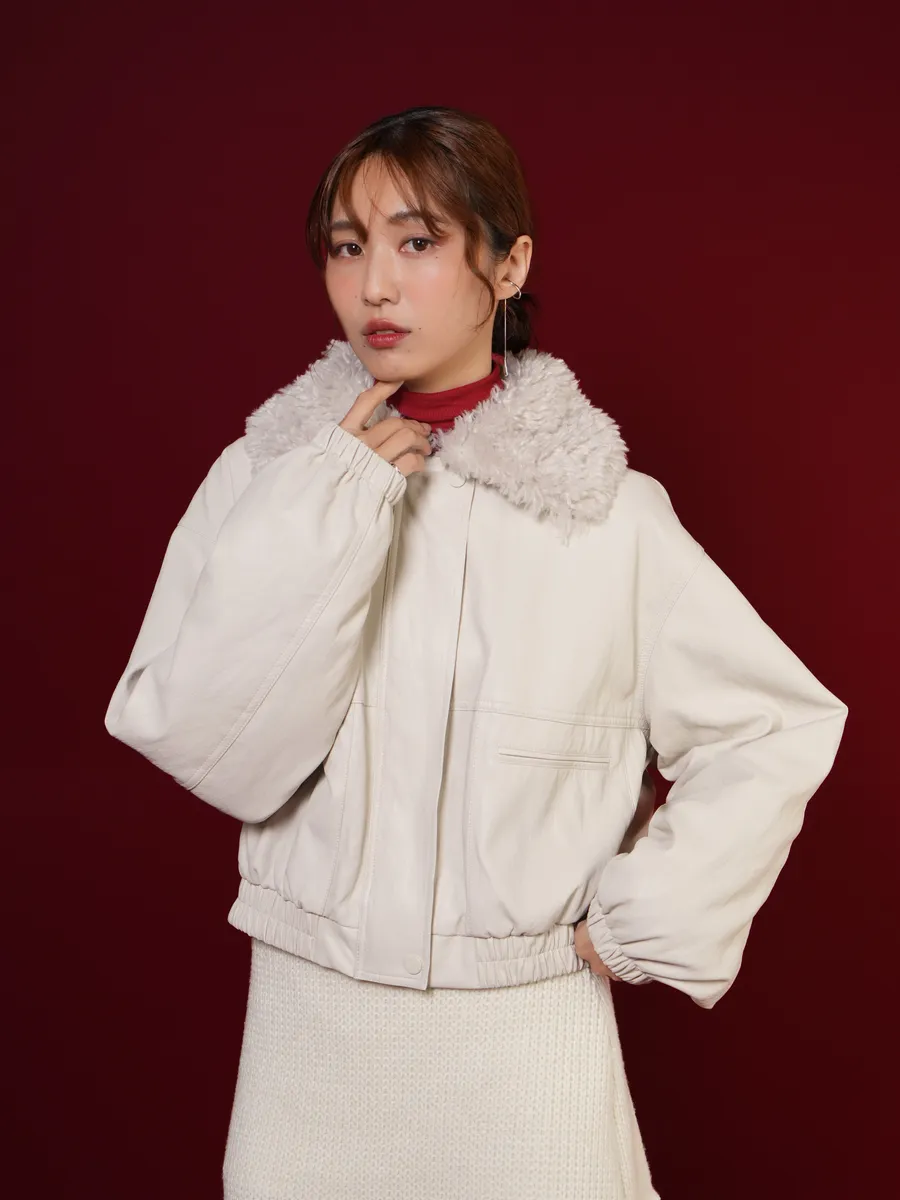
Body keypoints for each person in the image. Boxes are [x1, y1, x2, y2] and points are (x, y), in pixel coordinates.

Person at [103, 105, 849, 1200]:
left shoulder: (609, 515)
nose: (374, 285)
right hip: (310, 1048)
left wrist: (647, 916)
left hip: (527, 1053)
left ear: (509, 264)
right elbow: (205, 741)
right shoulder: (266, 482)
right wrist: (330, 499)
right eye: (346, 247)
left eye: (418, 241)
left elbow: (773, 725)